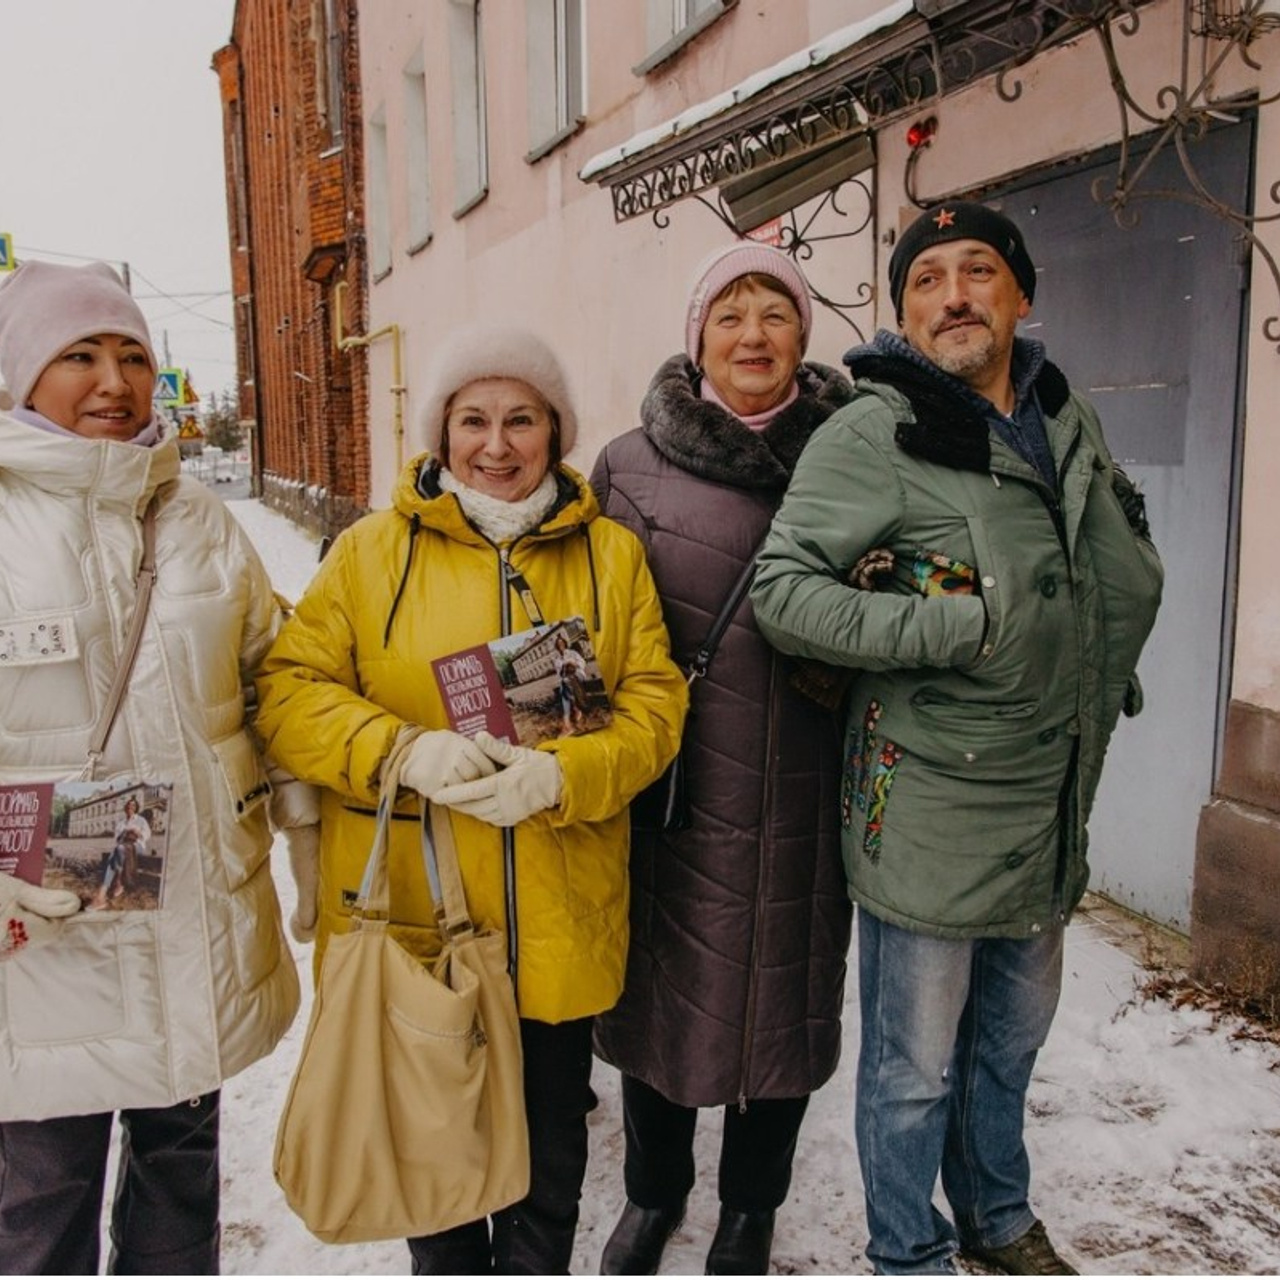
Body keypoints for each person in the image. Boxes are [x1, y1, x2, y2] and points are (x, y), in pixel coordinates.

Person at [750, 202, 1165, 1275]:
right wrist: (952, 625)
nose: (952, 295)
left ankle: (994, 1213)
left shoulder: (1058, 413)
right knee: (910, 1069)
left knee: (1006, 1047)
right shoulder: (875, 430)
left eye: (976, 269)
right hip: (927, 808)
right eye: (925, 278)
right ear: (901, 310)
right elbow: (783, 593)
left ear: (1018, 293)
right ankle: (909, 1251)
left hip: (1047, 793)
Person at [254, 323, 688, 1276]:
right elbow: (288, 694)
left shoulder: (611, 557)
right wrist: (399, 752)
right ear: (440, 433)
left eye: (522, 419)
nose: (497, 445)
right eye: (474, 420)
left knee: (546, 1165)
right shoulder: (372, 554)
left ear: (556, 431)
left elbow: (657, 709)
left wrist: (564, 774)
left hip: (556, 922)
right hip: (419, 924)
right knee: (437, 1163)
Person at [0, 260, 304, 1274]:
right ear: (18, 374)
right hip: (44, 952)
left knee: (181, 1201)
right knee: (39, 1213)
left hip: (192, 933)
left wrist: (313, 826)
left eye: (132, 354)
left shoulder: (196, 521)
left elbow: (277, 682)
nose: (112, 379)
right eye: (77, 353)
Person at [589, 242, 855, 1276]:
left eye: (775, 314)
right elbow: (592, 624)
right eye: (730, 314)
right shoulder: (627, 462)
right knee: (663, 1000)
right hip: (676, 791)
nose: (753, 335)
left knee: (784, 999)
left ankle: (751, 1206)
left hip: (805, 776)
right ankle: (653, 1196)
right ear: (696, 334)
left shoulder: (854, 452)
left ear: (802, 333)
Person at [90, 796, 152, 909]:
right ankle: (102, 895)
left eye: (133, 805)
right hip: (122, 847)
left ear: (136, 808)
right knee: (118, 850)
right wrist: (124, 832)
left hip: (137, 846)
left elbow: (147, 835)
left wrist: (137, 832)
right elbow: (117, 840)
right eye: (128, 805)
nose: (130, 807)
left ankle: (117, 883)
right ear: (125, 808)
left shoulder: (141, 820)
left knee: (118, 850)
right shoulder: (121, 823)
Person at [552, 633, 588, 735]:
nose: (560, 645)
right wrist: (564, 666)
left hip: (577, 674)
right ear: (556, 647)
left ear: (565, 643)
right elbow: (560, 673)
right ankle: (570, 716)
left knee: (566, 683)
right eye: (558, 644)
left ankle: (569, 716)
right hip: (566, 679)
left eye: (561, 643)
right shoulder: (557, 660)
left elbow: (582, 662)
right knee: (564, 683)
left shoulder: (573, 653)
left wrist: (573, 663)